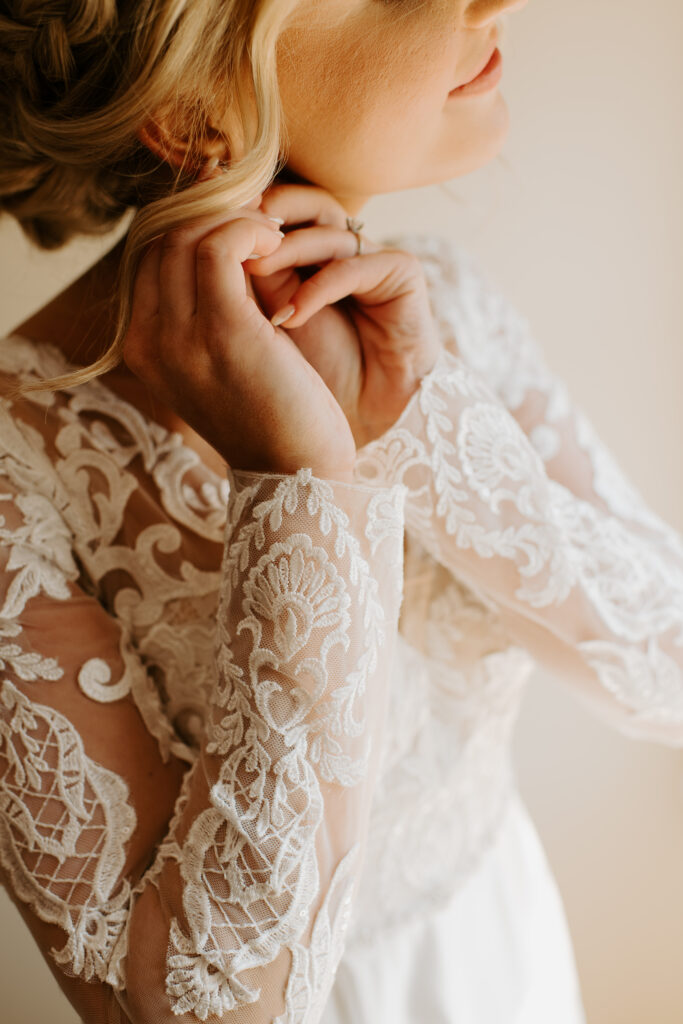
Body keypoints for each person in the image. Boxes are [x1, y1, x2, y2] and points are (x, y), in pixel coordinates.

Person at [0, 1, 681, 1022]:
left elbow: (666, 667)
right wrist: (301, 477)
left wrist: (419, 419)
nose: (493, 3)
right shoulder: (18, 474)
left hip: (512, 969)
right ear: (191, 113)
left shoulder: (437, 308)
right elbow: (195, 1008)